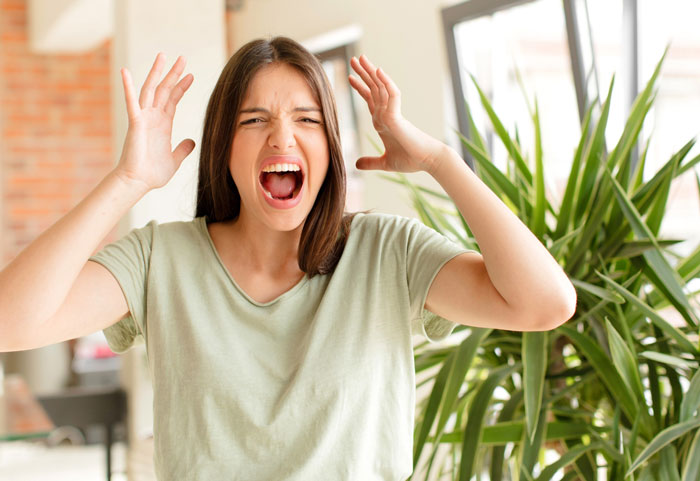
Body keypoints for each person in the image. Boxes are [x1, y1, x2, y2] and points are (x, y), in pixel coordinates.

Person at [0, 37, 576, 479]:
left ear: (330, 148)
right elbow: (8, 323)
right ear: (224, 145)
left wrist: (441, 162)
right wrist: (128, 180)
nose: (281, 138)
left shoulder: (387, 253)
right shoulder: (161, 259)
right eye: (254, 120)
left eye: (307, 120)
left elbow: (546, 305)